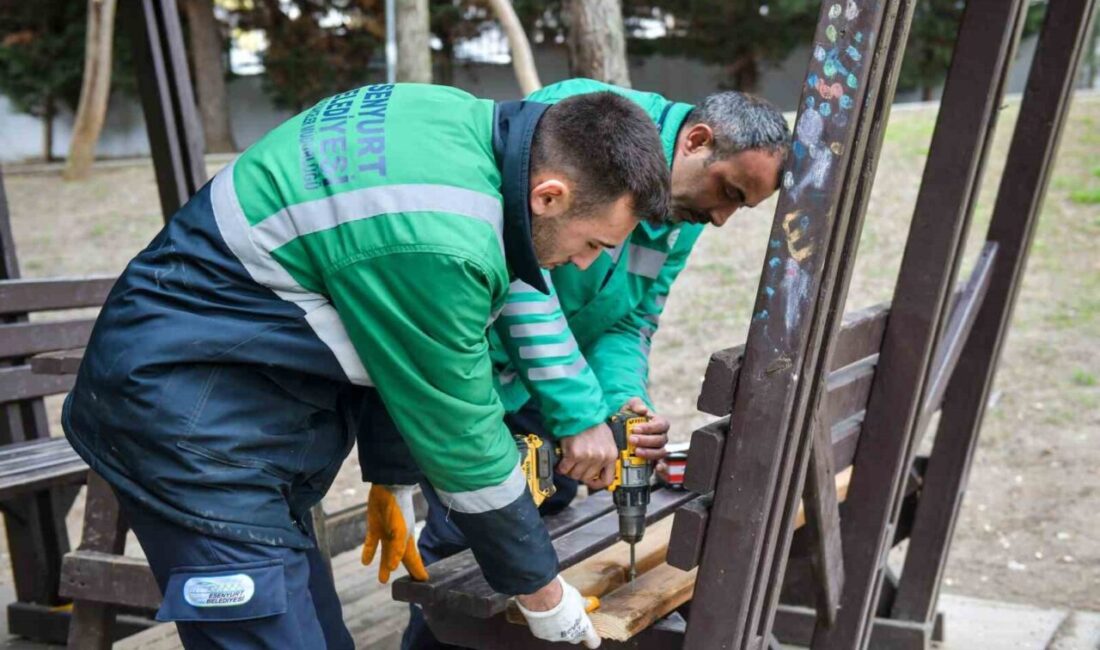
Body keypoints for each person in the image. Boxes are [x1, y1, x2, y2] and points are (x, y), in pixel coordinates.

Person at [61, 83, 671, 649]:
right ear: (549, 195)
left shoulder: (456, 125)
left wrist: (393, 474)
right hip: (184, 424)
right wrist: (543, 597)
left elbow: (385, 330)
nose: (586, 265)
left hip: (245, 407)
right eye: (593, 243)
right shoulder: (446, 238)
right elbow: (465, 441)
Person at [379, 79, 791, 650]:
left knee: (542, 525)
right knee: (464, 555)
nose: (722, 218)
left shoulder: (677, 209)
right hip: (475, 380)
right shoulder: (585, 124)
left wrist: (621, 402)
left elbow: (629, 321)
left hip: (543, 392)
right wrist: (579, 414)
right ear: (697, 140)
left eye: (739, 207)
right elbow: (522, 274)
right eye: (730, 192)